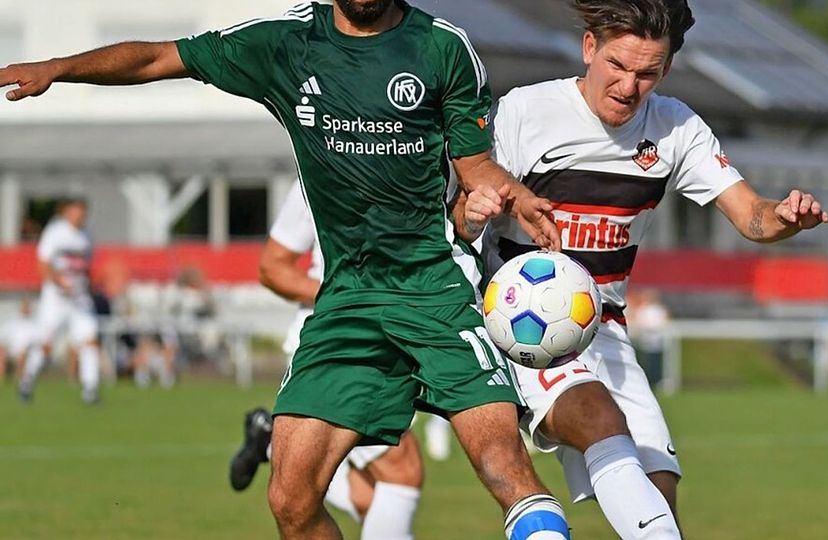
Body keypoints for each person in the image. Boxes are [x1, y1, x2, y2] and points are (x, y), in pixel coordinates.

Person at [1, 2, 571, 539]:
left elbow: (475, 167)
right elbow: (157, 58)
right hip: (347, 300)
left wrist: (514, 195)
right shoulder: (287, 44)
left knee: (501, 464)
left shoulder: (442, 47)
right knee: (291, 500)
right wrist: (58, 68)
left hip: (435, 289)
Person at [454, 1, 828, 537]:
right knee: (600, 420)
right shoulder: (524, 112)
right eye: (618, 66)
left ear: (667, 69)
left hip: (604, 325)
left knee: (659, 493)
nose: (629, 87)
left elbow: (752, 216)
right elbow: (461, 213)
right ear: (590, 48)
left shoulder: (676, 127)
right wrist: (475, 212)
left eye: (647, 73)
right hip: (523, 325)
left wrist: (787, 217)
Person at [229, 183, 424, 540]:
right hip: (332, 344)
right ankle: (273, 443)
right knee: (401, 472)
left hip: (389, 342)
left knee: (370, 501)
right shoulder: (317, 168)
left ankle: (271, 442)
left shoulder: (418, 165)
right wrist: (344, 298)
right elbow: (273, 267)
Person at [17, 198, 102, 404]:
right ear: (67, 212)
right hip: (56, 300)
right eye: (75, 211)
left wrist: (91, 286)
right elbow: (43, 264)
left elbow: (86, 267)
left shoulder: (87, 236)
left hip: (79, 299)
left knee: (89, 342)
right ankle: (27, 381)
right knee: (45, 345)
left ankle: (90, 389)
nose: (79, 216)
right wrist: (58, 281)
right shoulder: (55, 233)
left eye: (82, 212)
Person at [628, 289, 670, 387]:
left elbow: (663, 322)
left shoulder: (658, 310)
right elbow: (637, 322)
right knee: (642, 363)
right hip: (642, 342)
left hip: (656, 342)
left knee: (655, 363)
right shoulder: (642, 309)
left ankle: (656, 381)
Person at [1, 297, 39, 385]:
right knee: (1, 353)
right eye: (24, 307)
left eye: (27, 307)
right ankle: (1, 378)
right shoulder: (12, 322)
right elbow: (3, 337)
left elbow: (36, 341)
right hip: (11, 350)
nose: (25, 310)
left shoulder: (34, 324)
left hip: (26, 351)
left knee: (22, 354)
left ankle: (18, 379)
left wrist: (26, 348)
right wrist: (4, 347)